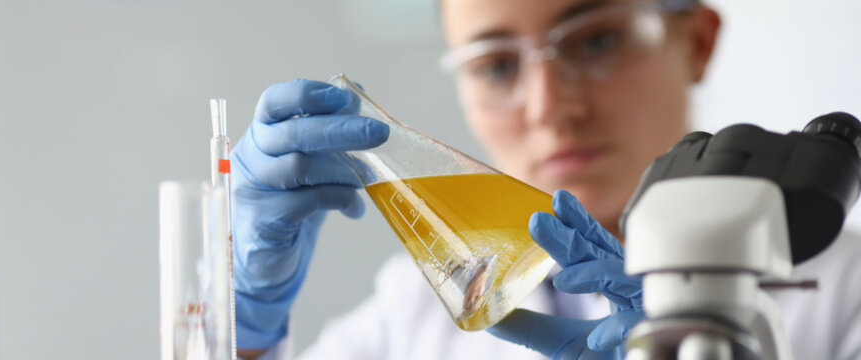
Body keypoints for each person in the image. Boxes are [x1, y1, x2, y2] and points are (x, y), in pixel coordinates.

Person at [231, 0, 861, 359]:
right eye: (497, 65)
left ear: (696, 40)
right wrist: (243, 327)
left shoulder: (846, 288)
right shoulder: (412, 314)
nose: (549, 105)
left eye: (596, 42)